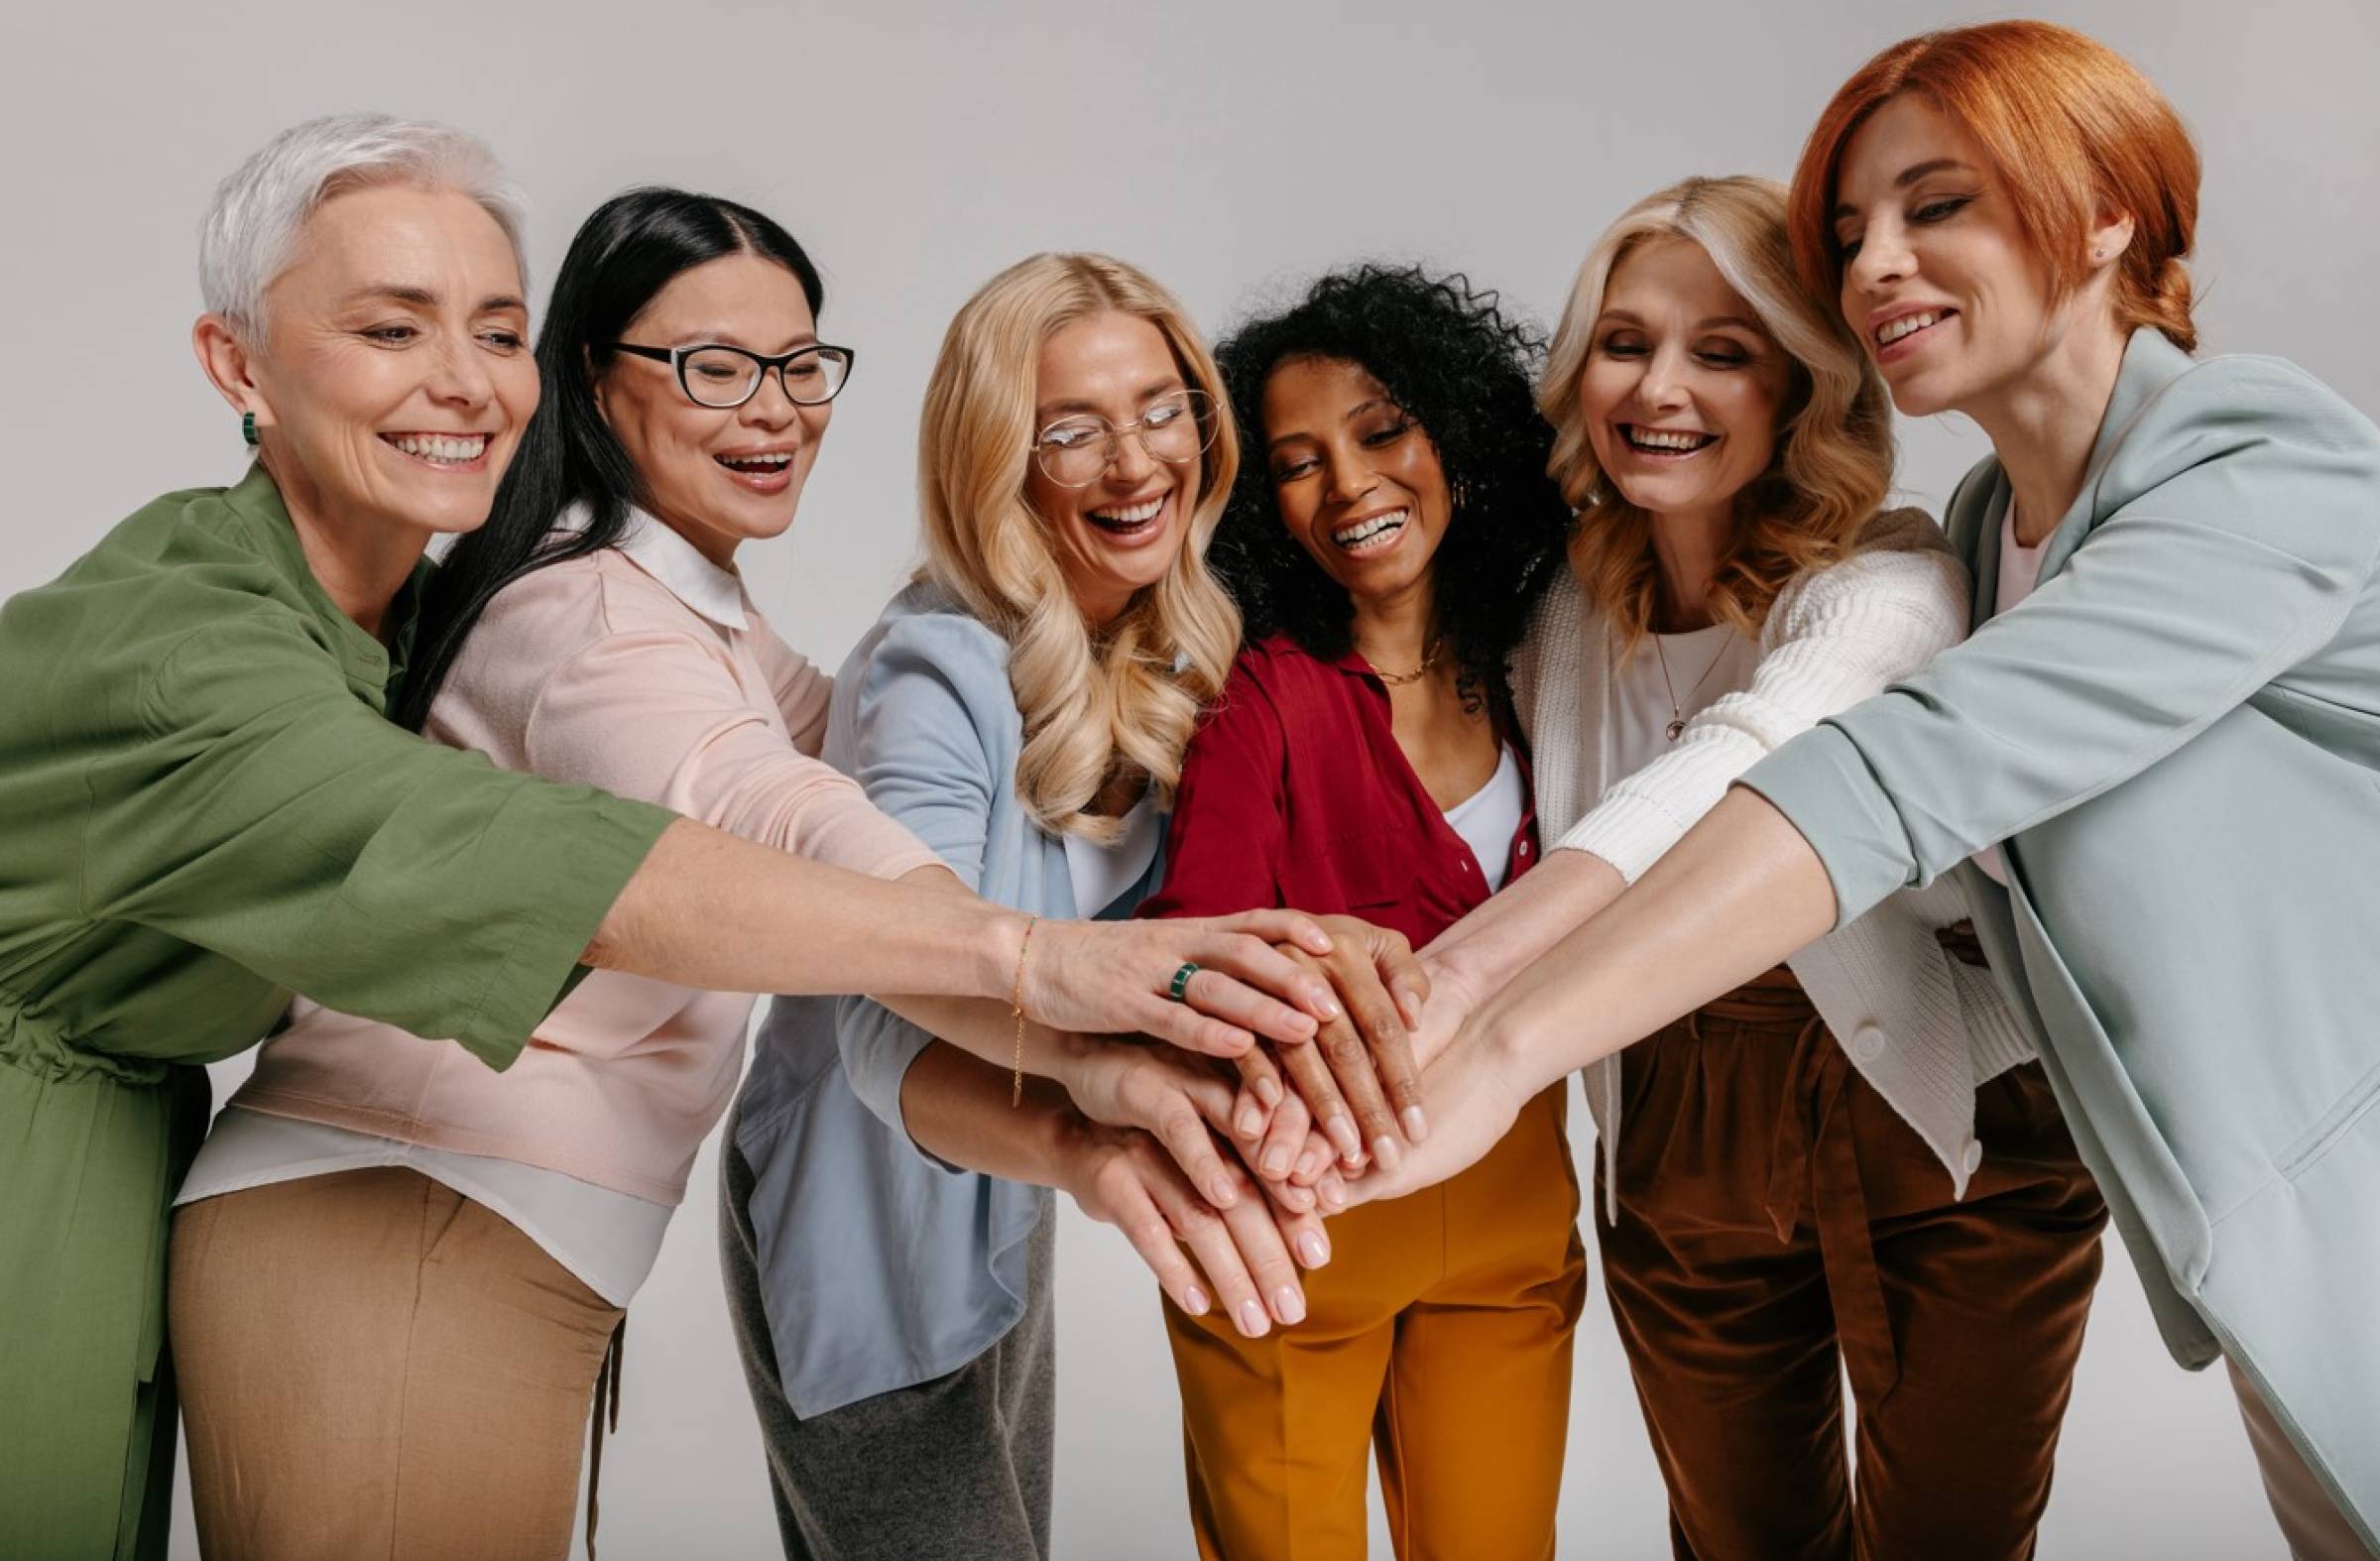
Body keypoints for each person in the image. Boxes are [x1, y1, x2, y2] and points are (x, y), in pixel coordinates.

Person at [0, 118, 1398, 1561]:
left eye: (801, 366)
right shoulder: (588, 618)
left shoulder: (689, 614)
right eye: (712, 366)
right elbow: (763, 814)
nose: (773, 408)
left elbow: (851, 783)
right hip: (405, 1220)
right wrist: (1031, 966)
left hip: (459, 1238)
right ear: (600, 387)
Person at [1372, 23, 2380, 1559]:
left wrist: (1493, 1036)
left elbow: (1894, 768)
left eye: (1938, 205)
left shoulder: (2261, 458)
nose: (1877, 266)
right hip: (2266, 1233)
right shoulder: (1993, 527)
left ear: (2106, 212)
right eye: (1851, 233)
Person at [1413, 176, 2103, 1559]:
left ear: (1802, 389)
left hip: (1945, 1124)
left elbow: (1741, 764)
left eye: (1722, 352)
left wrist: (1462, 982)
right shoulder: (1552, 616)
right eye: (1625, 342)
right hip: (1677, 1128)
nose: (1659, 387)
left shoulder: (1892, 585)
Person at [719, 252, 1403, 1561]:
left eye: (1161, 408)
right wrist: (1097, 1140)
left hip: (1004, 1188)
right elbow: (879, 1023)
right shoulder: (937, 670)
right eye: (1071, 431)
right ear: (1000, 463)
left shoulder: (1170, 647)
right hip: (854, 1222)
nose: (1136, 463)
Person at [1135, 265, 1585, 1559]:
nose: (1350, 487)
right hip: (1294, 1237)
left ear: (1451, 429)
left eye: (1382, 431)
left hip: (1512, 1220)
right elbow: (1180, 959)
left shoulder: (1539, 668)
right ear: (1259, 499)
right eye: (1297, 460)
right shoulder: (1262, 693)